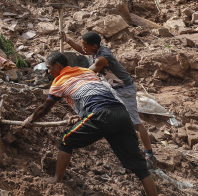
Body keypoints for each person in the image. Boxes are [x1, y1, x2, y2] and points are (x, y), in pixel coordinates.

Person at [22, 52, 158, 196]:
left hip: (101, 114)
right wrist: (82, 116)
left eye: (49, 68)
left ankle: (57, 178)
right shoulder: (85, 71)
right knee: (140, 166)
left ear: (58, 66)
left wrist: (30, 120)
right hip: (121, 113)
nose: (48, 72)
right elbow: (92, 94)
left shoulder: (59, 81)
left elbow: (45, 108)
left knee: (67, 139)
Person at [60, 31, 158, 169]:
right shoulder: (95, 50)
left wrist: (65, 79)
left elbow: (88, 74)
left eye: (85, 46)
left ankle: (149, 155)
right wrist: (67, 40)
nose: (84, 49)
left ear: (94, 46)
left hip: (125, 90)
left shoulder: (102, 58)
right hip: (111, 86)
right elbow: (82, 52)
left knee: (135, 123)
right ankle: (84, 115)